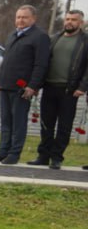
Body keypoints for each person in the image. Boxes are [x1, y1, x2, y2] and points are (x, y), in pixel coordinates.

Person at [0, 4, 50, 164]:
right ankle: (3, 151)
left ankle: (14, 154)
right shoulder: (13, 35)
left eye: (24, 17)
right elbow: (6, 61)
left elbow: (41, 64)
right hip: (6, 85)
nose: (20, 20)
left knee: (18, 123)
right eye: (18, 17)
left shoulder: (40, 37)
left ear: (33, 19)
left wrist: (32, 86)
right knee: (6, 121)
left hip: (22, 88)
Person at [27, 9, 86, 170]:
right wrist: (36, 85)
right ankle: (43, 156)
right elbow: (43, 63)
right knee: (46, 124)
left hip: (69, 90)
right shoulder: (54, 38)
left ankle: (56, 157)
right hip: (49, 87)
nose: (69, 22)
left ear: (81, 23)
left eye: (73, 20)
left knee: (64, 127)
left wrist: (82, 87)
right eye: (67, 19)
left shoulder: (85, 41)